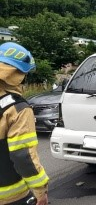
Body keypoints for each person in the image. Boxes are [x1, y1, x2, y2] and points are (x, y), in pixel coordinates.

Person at [0, 42, 49, 205]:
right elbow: (23, 156)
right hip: (10, 197)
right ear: (17, 74)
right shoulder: (17, 108)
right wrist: (40, 192)